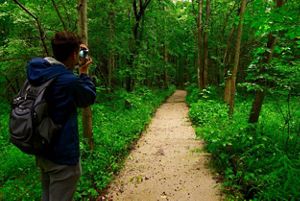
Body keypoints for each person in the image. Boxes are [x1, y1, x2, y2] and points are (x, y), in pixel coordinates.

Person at [26, 31, 96, 201]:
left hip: (43, 149)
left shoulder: (40, 71)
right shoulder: (67, 80)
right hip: (62, 157)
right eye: (77, 52)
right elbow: (88, 97)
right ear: (74, 54)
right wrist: (84, 72)